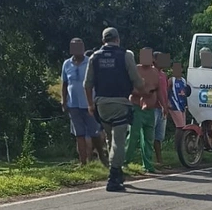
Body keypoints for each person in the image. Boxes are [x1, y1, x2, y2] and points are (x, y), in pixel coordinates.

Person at [84, 28, 145, 192]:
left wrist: (90, 105)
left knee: (111, 140)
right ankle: (113, 177)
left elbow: (87, 84)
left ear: (103, 40)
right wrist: (144, 92)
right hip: (120, 103)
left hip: (101, 105)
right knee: (118, 142)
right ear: (118, 39)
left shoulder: (94, 57)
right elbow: (137, 80)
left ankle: (118, 174)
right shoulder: (126, 55)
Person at [62, 38, 106, 166]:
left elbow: (97, 82)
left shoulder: (90, 62)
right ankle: (83, 163)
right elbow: (65, 83)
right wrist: (64, 101)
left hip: (89, 104)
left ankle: (102, 158)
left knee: (95, 133)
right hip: (73, 105)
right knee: (79, 134)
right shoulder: (66, 64)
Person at [125, 47, 161, 174]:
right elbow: (128, 87)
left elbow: (159, 90)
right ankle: (124, 162)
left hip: (150, 109)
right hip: (136, 107)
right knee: (133, 136)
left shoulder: (155, 72)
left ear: (152, 58)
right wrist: (142, 92)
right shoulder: (135, 69)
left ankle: (148, 165)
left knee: (149, 138)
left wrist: (163, 106)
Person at [152, 51, 170, 166]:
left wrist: (166, 105)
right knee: (150, 136)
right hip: (153, 108)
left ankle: (159, 160)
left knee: (159, 137)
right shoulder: (151, 73)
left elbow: (165, 92)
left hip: (162, 109)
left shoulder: (164, 75)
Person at [168, 61, 190, 136]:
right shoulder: (172, 80)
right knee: (180, 126)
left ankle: (181, 143)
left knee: (184, 126)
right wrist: (168, 102)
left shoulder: (183, 80)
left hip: (182, 105)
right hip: (174, 104)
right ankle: (178, 143)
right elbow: (165, 90)